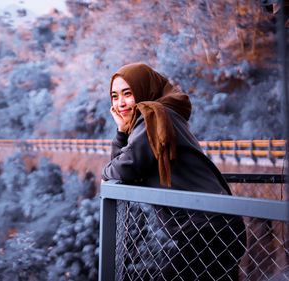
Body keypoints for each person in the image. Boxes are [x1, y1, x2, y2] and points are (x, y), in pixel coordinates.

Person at [101, 63, 246, 280]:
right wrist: (122, 131)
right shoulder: (161, 115)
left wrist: (119, 143)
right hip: (215, 225)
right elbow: (123, 167)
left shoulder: (153, 116)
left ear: (143, 90)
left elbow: (121, 170)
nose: (120, 103)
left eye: (128, 93)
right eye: (115, 96)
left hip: (206, 229)